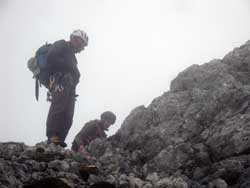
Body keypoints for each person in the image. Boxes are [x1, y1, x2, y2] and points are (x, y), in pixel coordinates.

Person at [46, 30, 88, 147]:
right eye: (82, 44)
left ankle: (60, 138)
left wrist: (75, 76)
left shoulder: (72, 56)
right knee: (58, 108)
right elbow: (51, 57)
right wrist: (69, 68)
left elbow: (75, 73)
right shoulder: (61, 44)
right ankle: (52, 136)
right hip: (60, 80)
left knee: (68, 114)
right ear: (75, 39)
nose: (82, 48)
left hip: (70, 85)